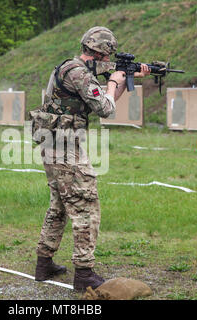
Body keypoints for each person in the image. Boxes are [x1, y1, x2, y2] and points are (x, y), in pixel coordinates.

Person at [32, 26, 150, 291]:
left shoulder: (70, 68)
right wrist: (115, 80)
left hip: (54, 144)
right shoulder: (79, 74)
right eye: (108, 56)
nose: (108, 61)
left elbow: (105, 105)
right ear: (99, 52)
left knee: (60, 206)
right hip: (65, 148)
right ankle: (84, 273)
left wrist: (120, 81)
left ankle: (44, 262)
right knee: (86, 206)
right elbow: (105, 107)